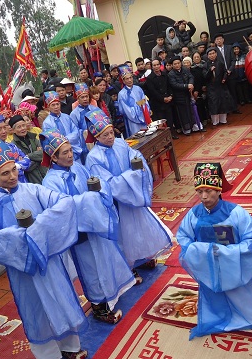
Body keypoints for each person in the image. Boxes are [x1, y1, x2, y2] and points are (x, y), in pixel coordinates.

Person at [0, 140, 88, 359]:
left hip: (48, 263)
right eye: (5, 173)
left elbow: (64, 203)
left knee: (60, 299)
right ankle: (48, 358)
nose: (12, 176)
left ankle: (71, 347)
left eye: (14, 170)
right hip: (22, 271)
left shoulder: (32, 190)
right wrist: (13, 239)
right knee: (34, 310)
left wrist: (39, 227)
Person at [40, 130, 135, 323]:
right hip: (78, 232)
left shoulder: (77, 167)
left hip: (94, 223)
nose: (70, 155)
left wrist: (98, 189)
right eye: (65, 153)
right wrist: (88, 199)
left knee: (104, 259)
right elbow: (60, 209)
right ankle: (98, 307)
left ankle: (110, 294)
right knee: (90, 269)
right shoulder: (50, 181)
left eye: (70, 150)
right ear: (54, 158)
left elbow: (95, 182)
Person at [177, 162, 252, 339]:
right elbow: (183, 237)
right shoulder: (194, 214)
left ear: (219, 189)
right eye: (199, 192)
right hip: (209, 268)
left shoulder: (236, 213)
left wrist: (227, 254)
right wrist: (199, 251)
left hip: (234, 266)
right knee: (215, 301)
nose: (204, 197)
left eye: (208, 191)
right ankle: (218, 314)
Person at [84, 110, 172, 279]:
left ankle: (142, 257)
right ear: (97, 137)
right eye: (105, 135)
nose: (110, 137)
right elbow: (107, 183)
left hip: (132, 195)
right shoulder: (93, 157)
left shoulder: (120, 143)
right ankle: (128, 267)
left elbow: (135, 156)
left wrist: (137, 168)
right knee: (123, 235)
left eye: (111, 132)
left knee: (138, 230)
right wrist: (133, 176)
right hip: (116, 203)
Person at [42, 91, 84, 162]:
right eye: (53, 105)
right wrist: (63, 142)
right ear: (48, 107)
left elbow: (75, 131)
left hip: (73, 148)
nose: (56, 107)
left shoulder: (66, 117)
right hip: (61, 153)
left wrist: (66, 139)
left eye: (57, 104)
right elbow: (51, 140)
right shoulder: (47, 123)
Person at [9, 115, 47, 184]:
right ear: (13, 130)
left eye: (23, 125)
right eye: (19, 127)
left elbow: (44, 154)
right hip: (31, 179)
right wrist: (37, 157)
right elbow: (26, 167)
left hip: (45, 172)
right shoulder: (14, 146)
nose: (23, 128)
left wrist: (28, 157)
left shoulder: (33, 137)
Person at [117, 66, 151, 138]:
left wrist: (144, 110)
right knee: (137, 137)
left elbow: (144, 101)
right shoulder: (121, 94)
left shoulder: (138, 89)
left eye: (130, 77)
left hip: (144, 116)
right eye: (127, 79)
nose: (130, 80)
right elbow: (126, 110)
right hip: (132, 121)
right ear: (123, 81)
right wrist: (138, 109)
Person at [204, 47, 232, 127]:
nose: (212, 55)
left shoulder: (220, 63)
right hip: (211, 88)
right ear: (207, 56)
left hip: (220, 86)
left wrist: (224, 78)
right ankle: (215, 122)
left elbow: (225, 72)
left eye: (213, 53)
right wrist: (210, 71)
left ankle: (223, 120)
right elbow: (205, 76)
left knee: (222, 103)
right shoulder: (205, 65)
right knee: (214, 104)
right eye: (210, 54)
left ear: (216, 54)